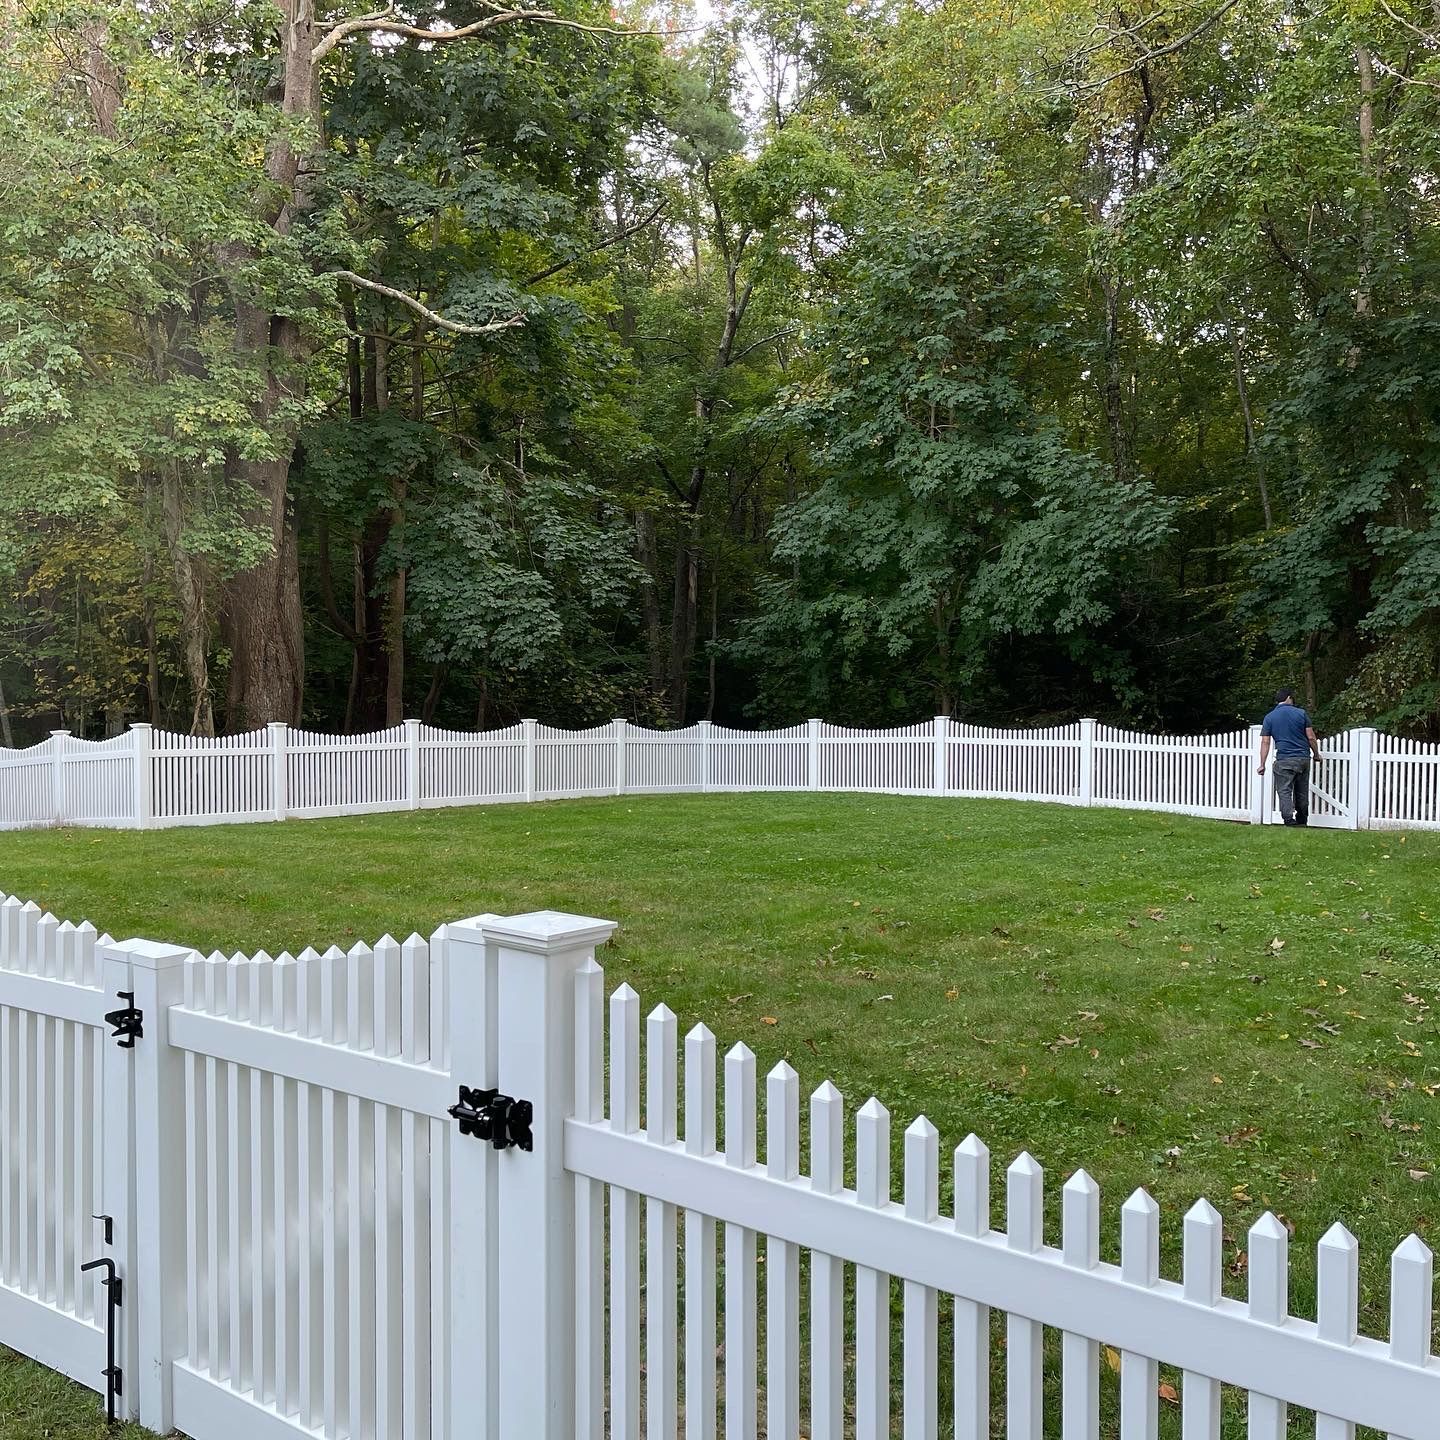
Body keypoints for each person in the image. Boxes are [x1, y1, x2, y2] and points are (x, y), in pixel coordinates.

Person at [1257, 687, 1322, 826]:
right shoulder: (1301, 713)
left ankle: (1288, 819)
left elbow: (1265, 742)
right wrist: (1316, 754)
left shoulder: (1269, 717)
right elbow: (1311, 737)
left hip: (1284, 759)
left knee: (1284, 790)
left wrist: (1262, 764)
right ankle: (1302, 819)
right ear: (1288, 698)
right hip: (1303, 758)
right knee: (1302, 790)